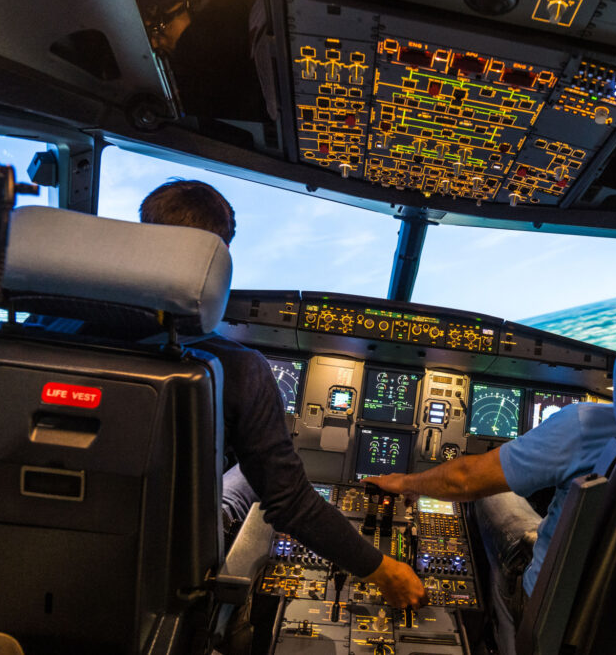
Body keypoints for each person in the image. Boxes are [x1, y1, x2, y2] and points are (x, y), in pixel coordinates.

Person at [368, 277, 616, 642]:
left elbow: (465, 479)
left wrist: (405, 483)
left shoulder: (590, 424)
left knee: (494, 495)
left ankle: (505, 639)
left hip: (559, 617)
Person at [139, 180, 427, 608]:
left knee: (241, 471)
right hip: (171, 555)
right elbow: (290, 502)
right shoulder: (235, 366)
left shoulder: (49, 328)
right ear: (214, 264)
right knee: (249, 477)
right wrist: (384, 570)